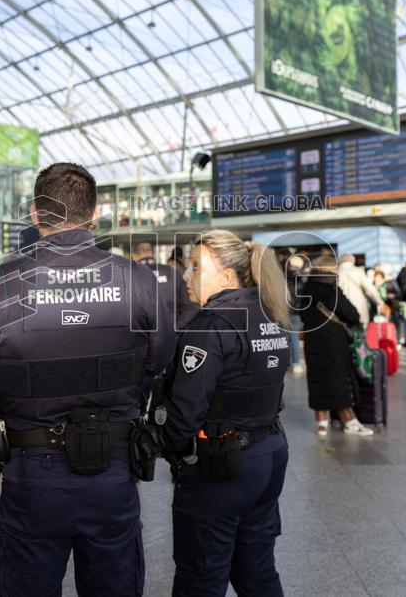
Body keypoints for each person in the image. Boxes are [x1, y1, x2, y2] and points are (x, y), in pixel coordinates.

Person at [0, 162, 175, 596]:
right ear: (95, 215)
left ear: (37, 214)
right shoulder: (137, 280)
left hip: (31, 474)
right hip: (113, 471)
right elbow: (159, 360)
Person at [159, 229, 290, 596]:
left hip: (220, 468)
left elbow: (185, 411)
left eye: (197, 266)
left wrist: (165, 448)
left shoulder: (212, 325)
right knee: (258, 573)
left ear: (228, 275)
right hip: (268, 456)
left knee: (200, 579)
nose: (187, 276)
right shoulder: (270, 315)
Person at [300, 255, 375, 437]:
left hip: (312, 341)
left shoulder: (306, 289)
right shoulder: (331, 289)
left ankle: (322, 423)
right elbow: (352, 314)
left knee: (316, 378)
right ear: (330, 270)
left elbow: (302, 315)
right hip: (333, 342)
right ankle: (349, 421)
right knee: (339, 379)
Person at [131, 239, 197, 330]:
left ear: (133, 256)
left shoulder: (129, 275)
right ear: (154, 255)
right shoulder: (171, 272)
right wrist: (176, 329)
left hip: (142, 338)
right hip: (172, 336)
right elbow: (190, 307)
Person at [337, 254, 382, 326]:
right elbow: (370, 290)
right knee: (360, 333)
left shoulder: (335, 272)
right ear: (352, 261)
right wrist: (379, 302)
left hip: (340, 310)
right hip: (359, 308)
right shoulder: (358, 272)